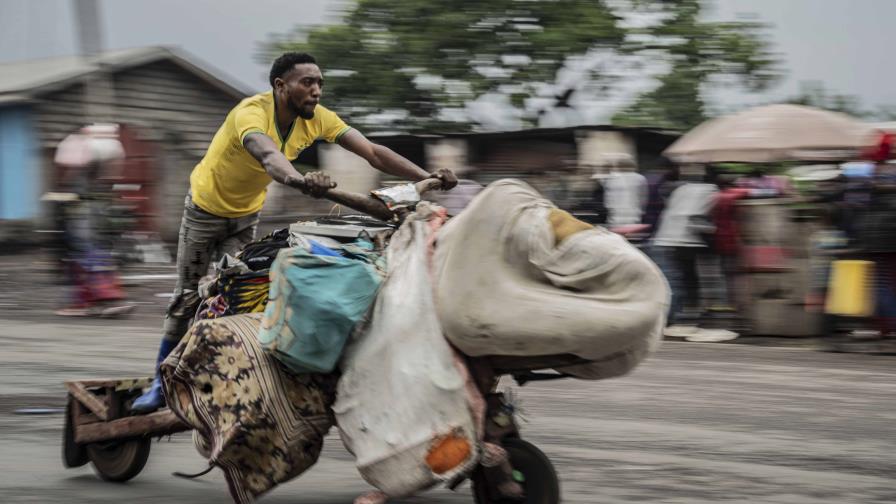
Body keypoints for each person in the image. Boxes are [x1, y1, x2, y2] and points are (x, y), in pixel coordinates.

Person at [132, 52, 457, 413]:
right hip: (204, 212)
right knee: (186, 298)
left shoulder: (318, 119)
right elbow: (269, 156)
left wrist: (427, 176)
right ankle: (160, 384)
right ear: (280, 86)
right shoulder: (251, 114)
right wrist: (300, 180)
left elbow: (374, 152)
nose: (316, 90)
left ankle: (226, 374)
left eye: (319, 83)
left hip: (244, 216)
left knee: (240, 291)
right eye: (307, 82)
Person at [602, 153, 648, 226]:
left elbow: (608, 200)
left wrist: (610, 210)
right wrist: (642, 211)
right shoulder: (640, 178)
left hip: (616, 215)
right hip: (633, 214)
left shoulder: (611, 179)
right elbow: (643, 198)